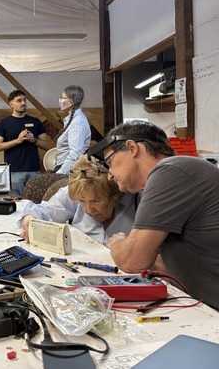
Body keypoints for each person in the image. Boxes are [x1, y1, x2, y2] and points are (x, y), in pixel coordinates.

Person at [89, 120, 219, 309]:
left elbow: (132, 261)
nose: (110, 175)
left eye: (110, 163)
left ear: (132, 148)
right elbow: (162, 263)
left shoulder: (170, 171)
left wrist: (116, 244)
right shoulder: (170, 176)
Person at [18, 155, 136, 245]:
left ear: (115, 194)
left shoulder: (136, 202)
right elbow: (41, 211)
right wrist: (30, 220)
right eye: (82, 201)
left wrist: (130, 248)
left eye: (96, 201)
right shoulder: (75, 192)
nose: (88, 210)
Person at [0, 90, 51, 196]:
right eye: (19, 101)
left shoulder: (35, 121)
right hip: (14, 171)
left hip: (34, 170)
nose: (23, 103)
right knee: (16, 202)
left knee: (35, 201)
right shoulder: (4, 123)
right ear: (11, 104)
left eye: (24, 100)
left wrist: (34, 140)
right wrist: (17, 141)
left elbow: (47, 145)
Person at [53, 85, 91, 175]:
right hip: (64, 167)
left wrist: (60, 174)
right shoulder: (72, 119)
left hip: (68, 171)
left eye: (62, 98)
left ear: (70, 102)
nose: (60, 100)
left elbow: (75, 154)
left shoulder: (77, 123)